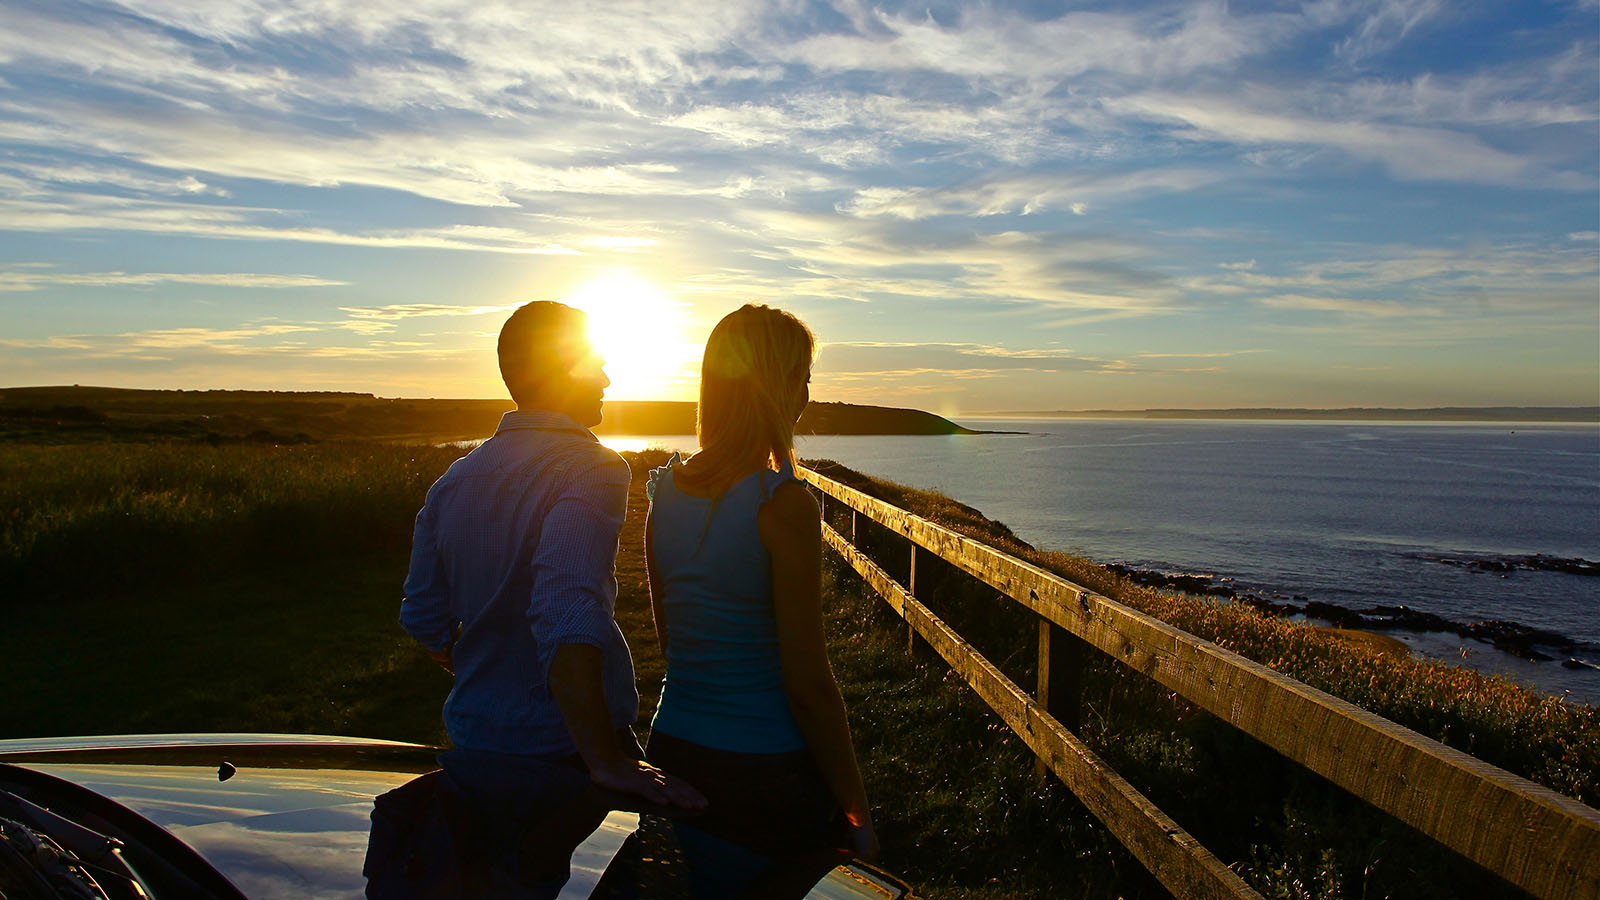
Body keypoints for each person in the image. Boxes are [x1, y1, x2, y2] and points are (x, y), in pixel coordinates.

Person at [396, 301, 705, 895]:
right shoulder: (590, 466)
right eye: (596, 364)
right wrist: (605, 761)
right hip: (563, 758)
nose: (609, 379)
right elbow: (566, 609)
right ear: (559, 372)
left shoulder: (453, 480)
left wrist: (482, 666)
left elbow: (422, 614)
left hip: (475, 748)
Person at [643, 304, 878, 897]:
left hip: (673, 752)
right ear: (775, 388)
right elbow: (808, 684)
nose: (806, 391)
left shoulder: (663, 490)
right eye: (801, 375)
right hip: (766, 773)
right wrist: (857, 810)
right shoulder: (782, 505)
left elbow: (671, 642)